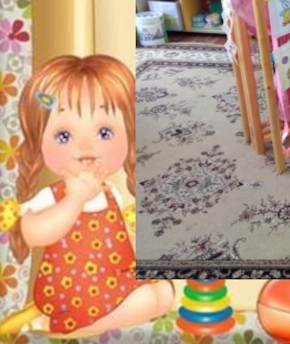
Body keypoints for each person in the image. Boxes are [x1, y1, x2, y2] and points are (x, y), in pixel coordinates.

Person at [6, 55, 174, 336]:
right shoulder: (54, 195)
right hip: (70, 290)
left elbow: (122, 236)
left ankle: (100, 318)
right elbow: (32, 233)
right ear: (40, 141)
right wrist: (74, 200)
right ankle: (63, 326)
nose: (86, 148)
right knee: (145, 300)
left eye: (104, 132)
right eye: (64, 136)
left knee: (165, 292)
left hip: (109, 280)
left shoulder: (110, 193)